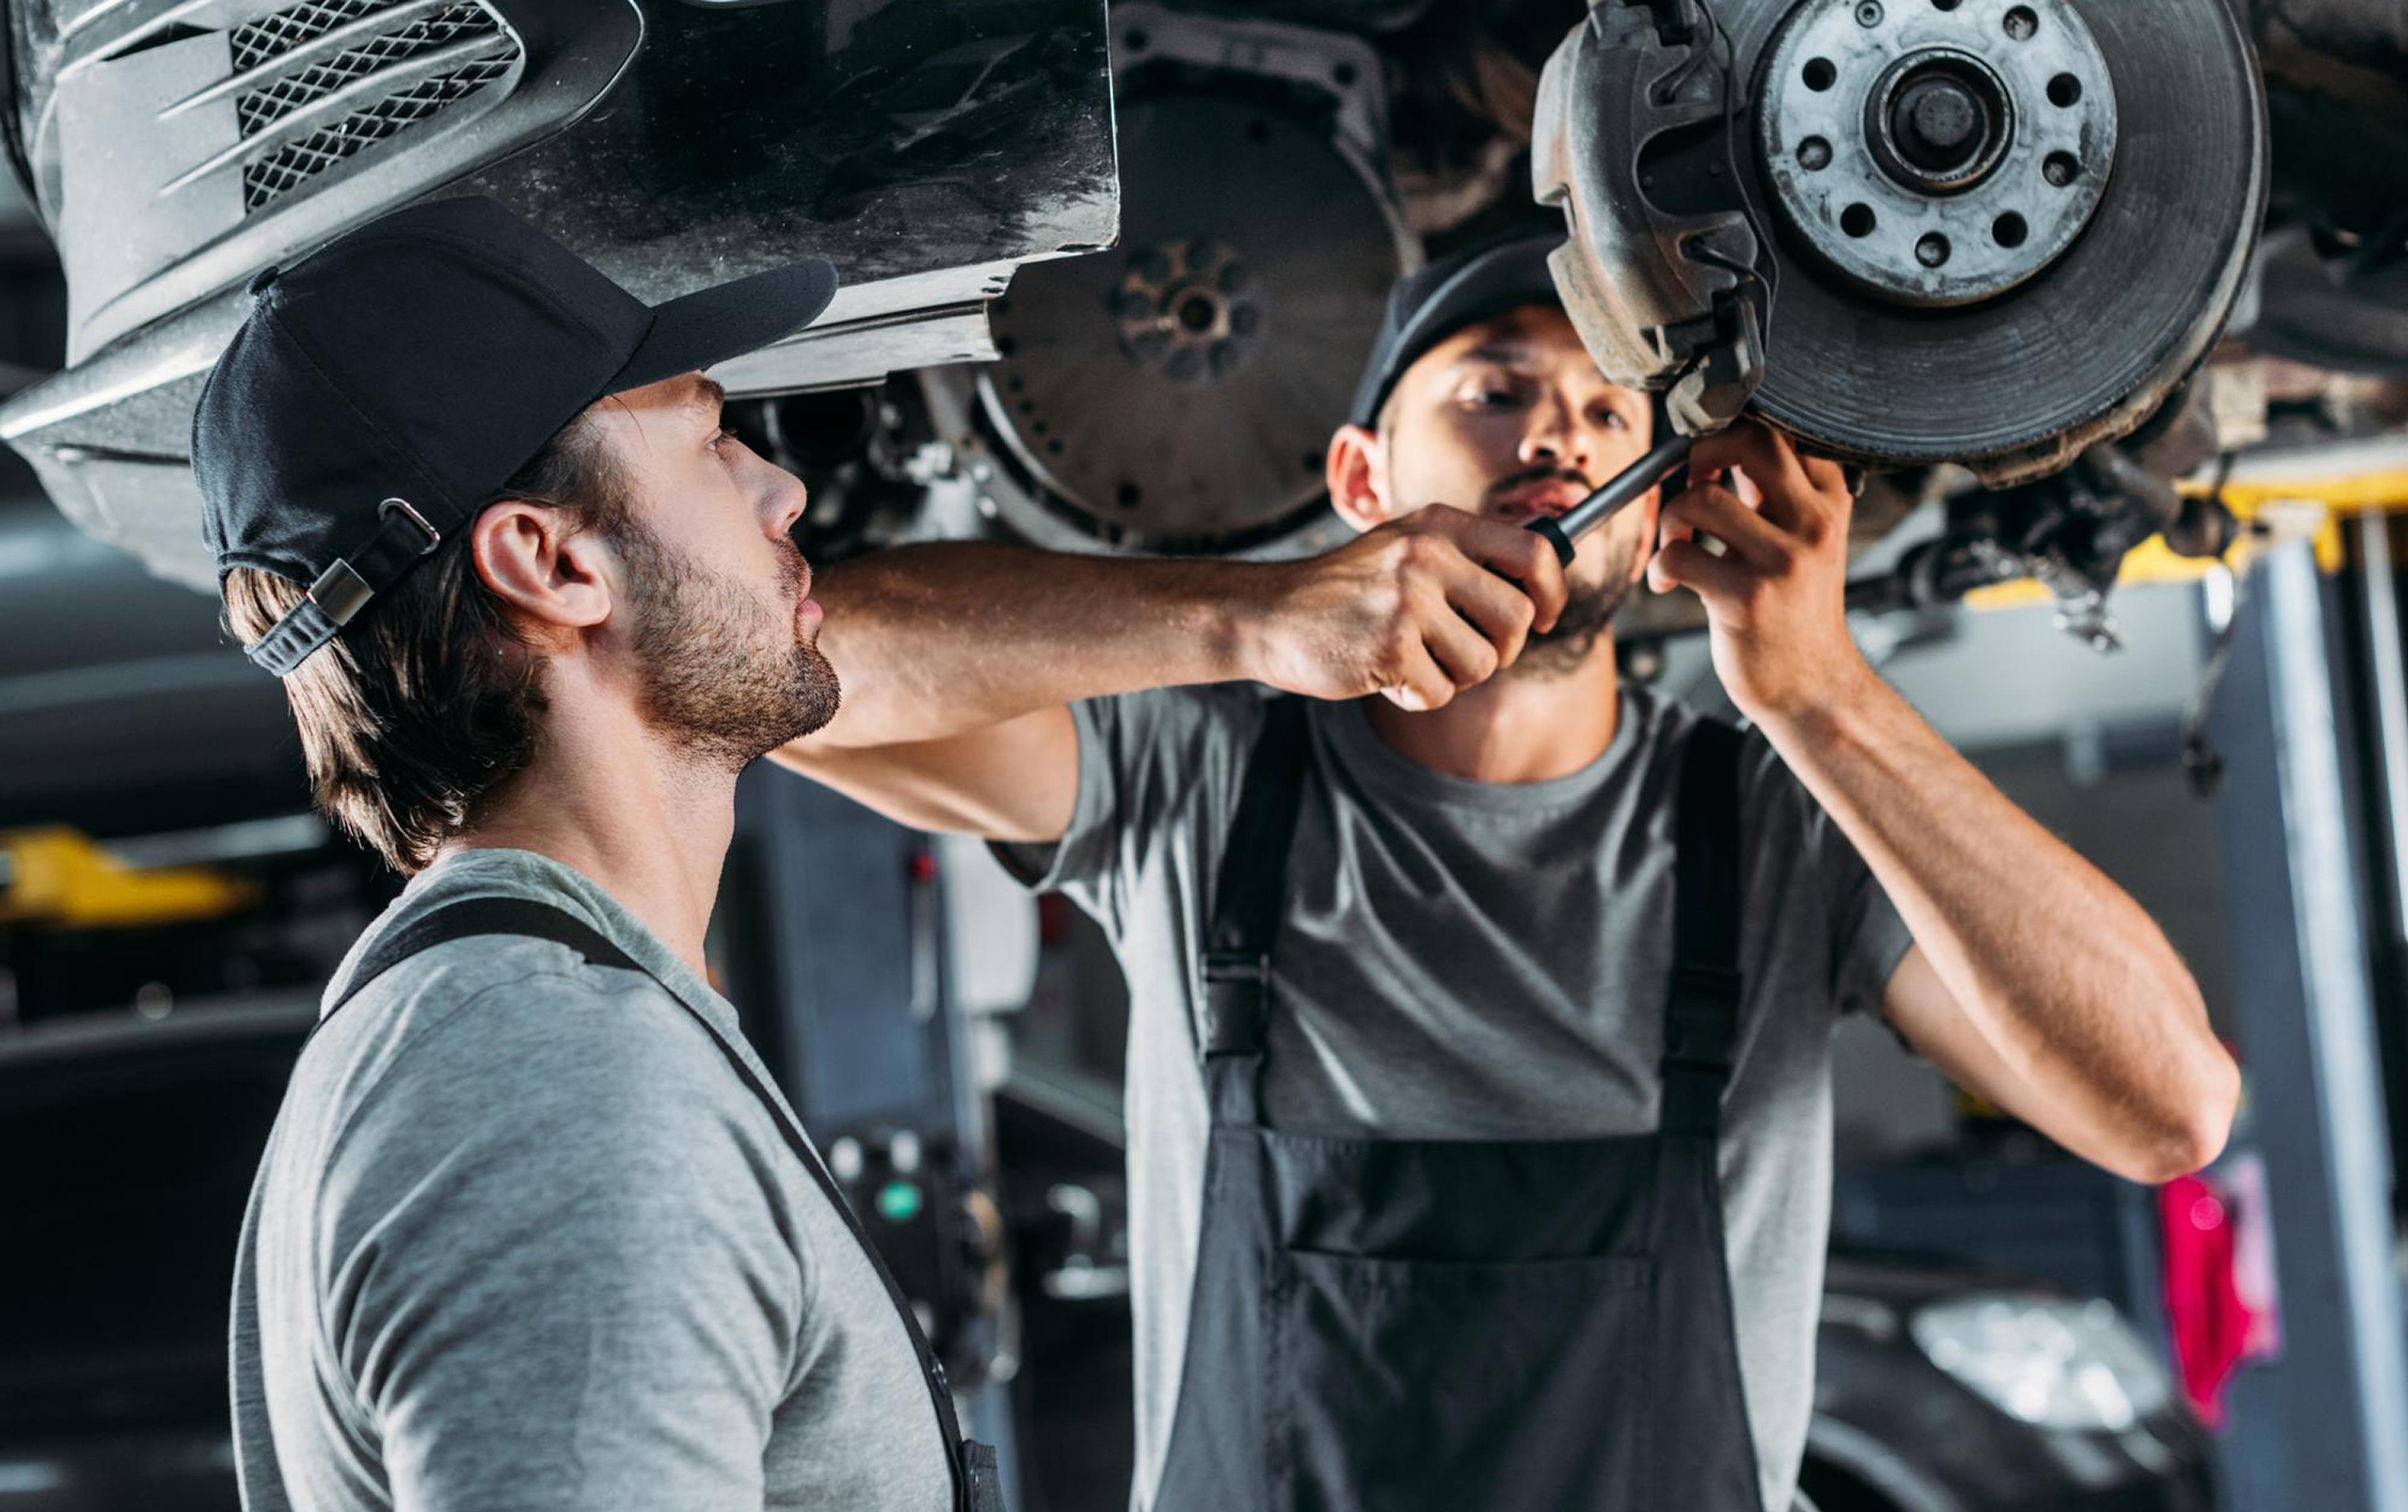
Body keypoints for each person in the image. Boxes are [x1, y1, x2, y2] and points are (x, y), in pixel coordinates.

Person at [775, 226, 2239, 1512]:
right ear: (1362, 475)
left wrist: (1820, 693)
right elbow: (790, 666)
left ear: (1662, 503)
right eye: (1495, 391)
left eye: (1612, 413)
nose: (1559, 438)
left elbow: (2166, 1109)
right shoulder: (1204, 785)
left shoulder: (1780, 828)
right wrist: (1248, 618)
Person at [206, 196, 995, 1512]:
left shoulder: (493, 1036)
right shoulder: (555, 1097)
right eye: (704, 436)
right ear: (552, 563)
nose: (780, 487)